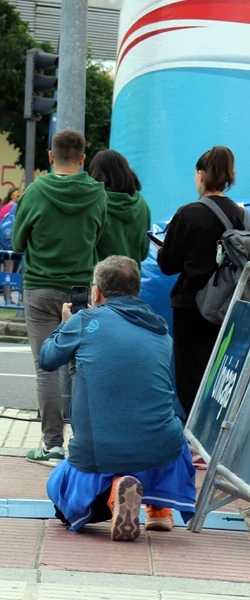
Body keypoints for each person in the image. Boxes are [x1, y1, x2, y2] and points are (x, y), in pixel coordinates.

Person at [42, 256, 197, 541]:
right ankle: (159, 509)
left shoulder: (85, 321)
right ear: (137, 290)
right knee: (170, 429)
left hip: (101, 453)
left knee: (60, 495)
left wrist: (68, 324)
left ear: (97, 292)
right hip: (161, 450)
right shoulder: (161, 329)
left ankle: (116, 493)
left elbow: (48, 358)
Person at [13, 129, 108, 466]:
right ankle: (82, 444)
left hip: (39, 288)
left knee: (46, 368)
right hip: (80, 290)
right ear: (83, 158)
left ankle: (52, 444)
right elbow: (100, 237)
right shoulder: (98, 194)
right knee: (79, 367)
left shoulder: (36, 191)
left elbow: (17, 242)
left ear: (50, 157)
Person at [158, 146, 239, 418]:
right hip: (229, 307)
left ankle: (194, 441)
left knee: (191, 376)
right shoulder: (242, 217)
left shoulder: (188, 213)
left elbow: (167, 265)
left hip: (191, 305)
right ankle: (213, 438)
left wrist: (162, 248)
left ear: (201, 175)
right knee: (222, 377)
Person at [91, 150, 152, 266]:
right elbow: (144, 253)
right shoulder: (142, 205)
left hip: (100, 279)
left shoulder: (95, 204)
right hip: (132, 279)